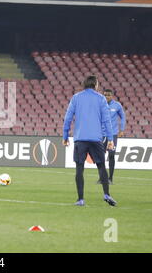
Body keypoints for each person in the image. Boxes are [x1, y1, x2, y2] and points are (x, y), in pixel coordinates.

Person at [62, 75, 117, 207]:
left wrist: (65, 136)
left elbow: (68, 118)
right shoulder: (101, 98)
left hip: (80, 139)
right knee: (101, 166)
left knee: (79, 168)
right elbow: (106, 120)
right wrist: (110, 139)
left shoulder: (76, 97)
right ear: (96, 85)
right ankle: (106, 194)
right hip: (96, 138)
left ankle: (80, 199)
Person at [97, 89, 126, 185]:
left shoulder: (117, 105)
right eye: (105, 95)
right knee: (100, 156)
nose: (106, 97)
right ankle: (101, 178)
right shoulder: (100, 105)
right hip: (101, 134)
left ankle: (110, 178)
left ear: (112, 96)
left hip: (113, 134)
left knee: (111, 155)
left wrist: (122, 129)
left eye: (108, 95)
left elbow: (123, 117)